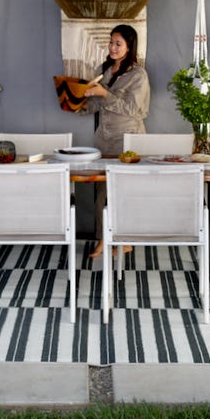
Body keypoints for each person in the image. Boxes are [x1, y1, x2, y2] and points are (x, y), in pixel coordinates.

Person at [83, 24, 149, 258]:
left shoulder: (138, 75)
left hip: (128, 140)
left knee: (125, 190)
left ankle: (124, 239)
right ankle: (106, 237)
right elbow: (95, 106)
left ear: (129, 47)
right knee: (102, 189)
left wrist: (104, 94)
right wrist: (82, 96)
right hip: (104, 138)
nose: (112, 47)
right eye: (111, 42)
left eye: (118, 43)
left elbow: (134, 110)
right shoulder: (105, 69)